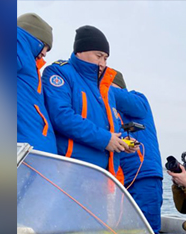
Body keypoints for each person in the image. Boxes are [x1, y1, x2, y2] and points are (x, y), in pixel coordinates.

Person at [41, 25, 144, 182]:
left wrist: (123, 141)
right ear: (80, 51)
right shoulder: (59, 72)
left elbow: (112, 128)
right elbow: (61, 116)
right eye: (99, 56)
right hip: (70, 172)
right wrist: (105, 140)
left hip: (103, 177)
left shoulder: (106, 89)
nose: (103, 63)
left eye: (106, 58)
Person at [111, 72, 163, 233]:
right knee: (125, 230)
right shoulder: (109, 113)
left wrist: (99, 87)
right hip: (122, 181)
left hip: (144, 176)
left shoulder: (138, 99)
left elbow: (133, 105)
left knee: (147, 229)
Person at [17, 13, 57, 153]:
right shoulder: (17, 44)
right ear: (36, 40)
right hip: (23, 150)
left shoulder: (27, 58)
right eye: (46, 47)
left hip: (30, 150)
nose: (45, 54)